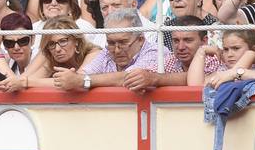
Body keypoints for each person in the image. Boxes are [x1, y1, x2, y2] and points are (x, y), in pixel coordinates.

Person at [55, 8, 184, 92]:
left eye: (123, 43)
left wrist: (82, 81)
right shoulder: (106, 51)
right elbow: (81, 75)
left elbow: (127, 78)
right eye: (111, 43)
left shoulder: (156, 52)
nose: (116, 50)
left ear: (140, 39)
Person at [18, 17, 100, 89]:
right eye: (51, 44)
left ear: (76, 41)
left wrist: (25, 82)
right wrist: (22, 82)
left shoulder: (94, 54)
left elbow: (73, 81)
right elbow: (33, 79)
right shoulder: (52, 60)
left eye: (63, 41)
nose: (57, 49)